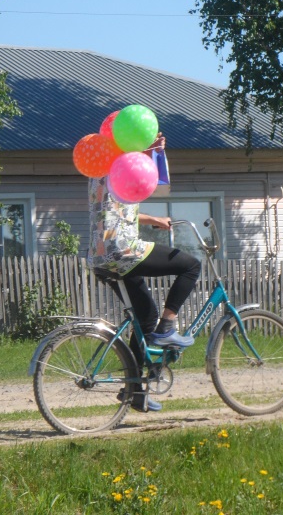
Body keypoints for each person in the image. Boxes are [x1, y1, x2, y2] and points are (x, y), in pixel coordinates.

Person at [86, 134, 202, 412]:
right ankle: (167, 327)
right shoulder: (122, 166)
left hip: (100, 255)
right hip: (125, 250)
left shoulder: (100, 171)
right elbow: (142, 175)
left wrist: (154, 220)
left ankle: (135, 391)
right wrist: (150, 152)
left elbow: (119, 213)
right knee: (191, 265)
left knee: (143, 316)